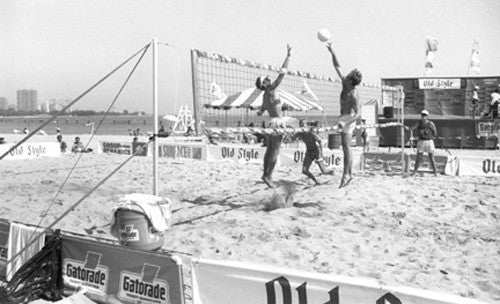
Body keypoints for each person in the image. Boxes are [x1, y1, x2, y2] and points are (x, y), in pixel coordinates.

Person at [256, 44, 292, 188]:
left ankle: (266, 174)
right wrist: (288, 56)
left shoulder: (265, 96)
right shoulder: (271, 89)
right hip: (277, 122)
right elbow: (282, 74)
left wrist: (266, 110)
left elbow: (260, 112)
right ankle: (268, 176)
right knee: (275, 152)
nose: (268, 78)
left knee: (269, 150)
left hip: (271, 122)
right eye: (266, 78)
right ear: (264, 84)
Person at [326, 42, 362, 188]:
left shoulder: (354, 95)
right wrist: (332, 51)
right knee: (345, 147)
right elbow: (337, 66)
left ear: (351, 81)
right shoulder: (344, 83)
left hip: (349, 118)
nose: (344, 76)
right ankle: (349, 174)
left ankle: (347, 174)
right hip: (342, 117)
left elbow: (358, 114)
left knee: (346, 147)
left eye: (347, 76)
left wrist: (345, 123)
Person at [294, 119, 333, 185]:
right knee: (304, 170)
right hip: (309, 152)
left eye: (304, 123)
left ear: (306, 125)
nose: (303, 125)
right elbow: (292, 137)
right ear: (300, 126)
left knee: (324, 171)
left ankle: (336, 175)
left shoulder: (311, 132)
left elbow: (320, 141)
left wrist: (321, 153)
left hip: (316, 151)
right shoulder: (299, 133)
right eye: (301, 124)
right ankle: (316, 181)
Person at [406, 110, 438, 176]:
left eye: (425, 115)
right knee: (419, 158)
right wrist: (406, 128)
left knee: (431, 158)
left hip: (429, 141)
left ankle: (435, 173)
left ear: (427, 116)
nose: (423, 116)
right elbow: (411, 128)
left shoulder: (431, 123)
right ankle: (414, 172)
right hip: (421, 141)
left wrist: (429, 137)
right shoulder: (419, 123)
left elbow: (435, 133)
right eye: (422, 115)